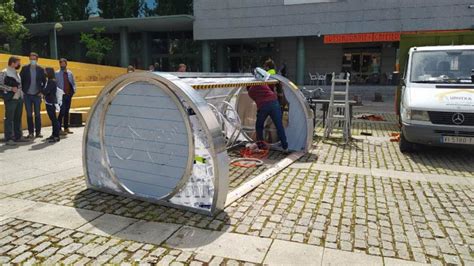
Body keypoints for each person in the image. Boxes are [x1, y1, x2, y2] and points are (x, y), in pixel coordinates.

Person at [247, 83, 288, 152]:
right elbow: (271, 86)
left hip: (263, 106)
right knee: (279, 126)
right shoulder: (262, 83)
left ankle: (261, 146)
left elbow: (258, 102)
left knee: (259, 126)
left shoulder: (250, 92)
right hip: (274, 102)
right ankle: (285, 147)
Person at [0, 56, 27, 145]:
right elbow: (0, 85)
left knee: (17, 118)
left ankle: (18, 136)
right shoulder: (4, 72)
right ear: (12, 63)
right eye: (17, 62)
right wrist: (10, 88)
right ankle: (9, 138)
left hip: (19, 98)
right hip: (11, 98)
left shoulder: (16, 72)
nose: (19, 64)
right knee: (9, 119)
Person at [20, 52, 46, 139]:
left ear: (37, 59)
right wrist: (22, 91)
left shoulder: (41, 69)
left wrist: (41, 92)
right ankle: (30, 132)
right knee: (29, 114)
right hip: (27, 95)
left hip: (37, 95)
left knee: (37, 114)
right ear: (29, 59)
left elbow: (44, 82)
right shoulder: (24, 69)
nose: (32, 60)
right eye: (31, 59)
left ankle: (38, 132)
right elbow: (20, 80)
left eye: (34, 59)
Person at [55, 58, 76, 135]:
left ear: (66, 64)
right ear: (59, 64)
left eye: (64, 63)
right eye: (61, 63)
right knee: (62, 111)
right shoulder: (56, 73)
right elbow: (55, 84)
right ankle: (59, 128)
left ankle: (66, 128)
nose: (62, 64)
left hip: (68, 95)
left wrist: (73, 91)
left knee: (67, 111)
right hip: (61, 96)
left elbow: (73, 83)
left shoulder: (70, 73)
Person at [42, 68, 60, 143]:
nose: (44, 73)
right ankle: (54, 134)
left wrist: (40, 88)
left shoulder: (51, 81)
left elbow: (46, 91)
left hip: (51, 102)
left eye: (45, 71)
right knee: (53, 119)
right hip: (49, 101)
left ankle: (56, 136)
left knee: (54, 120)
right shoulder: (50, 80)